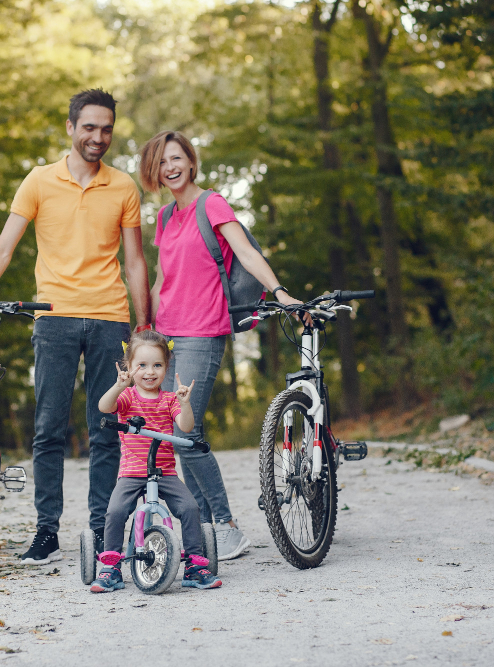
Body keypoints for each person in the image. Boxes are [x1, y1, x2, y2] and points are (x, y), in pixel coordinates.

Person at [0, 89, 152, 565]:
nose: (98, 136)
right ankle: (46, 531)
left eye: (106, 128)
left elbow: (134, 262)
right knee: (48, 429)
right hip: (54, 318)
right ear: (70, 128)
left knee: (106, 427)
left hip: (111, 318)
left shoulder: (124, 186)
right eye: (89, 127)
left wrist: (144, 323)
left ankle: (101, 529)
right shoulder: (38, 181)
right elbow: (5, 246)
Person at [138, 130, 307, 560]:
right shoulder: (163, 217)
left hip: (203, 331)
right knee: (173, 432)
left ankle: (226, 524)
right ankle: (206, 526)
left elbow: (247, 254)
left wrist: (280, 292)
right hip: (168, 334)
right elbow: (162, 279)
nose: (169, 168)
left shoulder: (210, 204)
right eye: (161, 163)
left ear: (191, 162)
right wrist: (145, 330)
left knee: (183, 428)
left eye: (176, 159)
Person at [91, 330, 222, 592]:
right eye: (142, 365)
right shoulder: (127, 397)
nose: (150, 372)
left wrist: (185, 404)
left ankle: (195, 566)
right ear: (129, 368)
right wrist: (119, 385)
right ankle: (111, 566)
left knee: (190, 508)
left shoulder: (170, 399)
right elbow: (104, 407)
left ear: (166, 366)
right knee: (115, 511)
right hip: (131, 472)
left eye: (157, 365)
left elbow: (185, 427)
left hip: (164, 472)